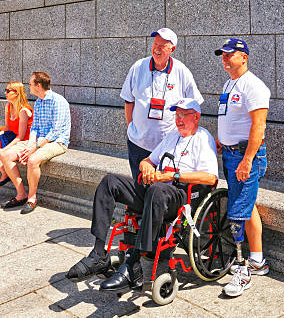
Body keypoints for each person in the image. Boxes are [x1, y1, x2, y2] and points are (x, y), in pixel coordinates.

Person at [66, 98, 218, 293]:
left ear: (196, 116)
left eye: (183, 115)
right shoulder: (172, 136)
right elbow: (149, 159)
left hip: (179, 197)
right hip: (155, 190)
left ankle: (134, 264)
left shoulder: (202, 139)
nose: (178, 119)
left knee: (157, 190)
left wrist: (174, 175)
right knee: (110, 182)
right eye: (176, 115)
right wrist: (146, 166)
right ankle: (98, 254)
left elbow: (210, 177)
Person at [214, 38, 270, 297]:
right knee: (247, 206)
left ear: (244, 57)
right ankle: (258, 260)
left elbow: (258, 127)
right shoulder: (229, 83)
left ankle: (242, 268)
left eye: (229, 54)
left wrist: (247, 160)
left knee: (238, 211)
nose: (224, 59)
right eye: (222, 55)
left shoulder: (254, 86)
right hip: (230, 154)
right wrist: (221, 140)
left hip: (245, 155)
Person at [121, 27, 203, 181]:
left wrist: (187, 138)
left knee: (161, 192)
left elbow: (195, 106)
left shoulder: (182, 71)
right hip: (138, 143)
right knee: (139, 190)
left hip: (168, 145)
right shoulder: (138, 67)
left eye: (162, 45)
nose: (156, 49)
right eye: (155, 44)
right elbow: (128, 100)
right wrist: (132, 126)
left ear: (172, 49)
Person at [0, 72, 71, 214]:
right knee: (5, 155)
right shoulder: (39, 102)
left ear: (38, 85)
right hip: (38, 140)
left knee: (32, 160)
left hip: (56, 142)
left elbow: (56, 131)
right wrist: (31, 144)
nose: (29, 86)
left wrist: (36, 147)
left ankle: (32, 199)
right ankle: (21, 194)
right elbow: (35, 127)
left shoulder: (58, 101)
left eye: (31, 84)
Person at [0, 82, 33, 186]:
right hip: (11, 136)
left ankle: (4, 174)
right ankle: (3, 171)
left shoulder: (23, 111)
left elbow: (21, 137)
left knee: (2, 151)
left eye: (8, 91)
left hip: (23, 140)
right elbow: (7, 128)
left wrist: (5, 149)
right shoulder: (8, 106)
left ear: (17, 93)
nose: (5, 93)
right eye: (6, 90)